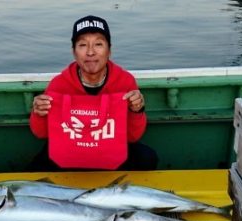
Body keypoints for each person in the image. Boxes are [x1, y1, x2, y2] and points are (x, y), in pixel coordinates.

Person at [28, 15, 158, 171]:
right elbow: (41, 134)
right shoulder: (59, 83)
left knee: (146, 157)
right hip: (70, 152)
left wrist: (137, 110)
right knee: (37, 166)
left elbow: (132, 137)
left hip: (110, 151)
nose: (90, 52)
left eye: (98, 44)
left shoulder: (125, 81)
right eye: (82, 45)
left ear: (109, 50)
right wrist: (38, 113)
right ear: (74, 52)